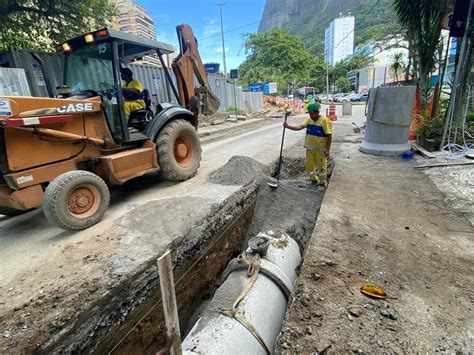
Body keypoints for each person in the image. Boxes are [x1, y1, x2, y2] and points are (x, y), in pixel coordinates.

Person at [284, 102, 332, 187]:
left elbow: (329, 135)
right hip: (310, 149)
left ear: (317, 112)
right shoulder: (309, 120)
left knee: (322, 167)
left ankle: (322, 183)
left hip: (320, 150)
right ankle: (314, 179)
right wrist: (288, 126)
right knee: (309, 166)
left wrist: (327, 149)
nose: (310, 115)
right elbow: (299, 127)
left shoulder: (325, 121)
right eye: (309, 113)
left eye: (312, 113)